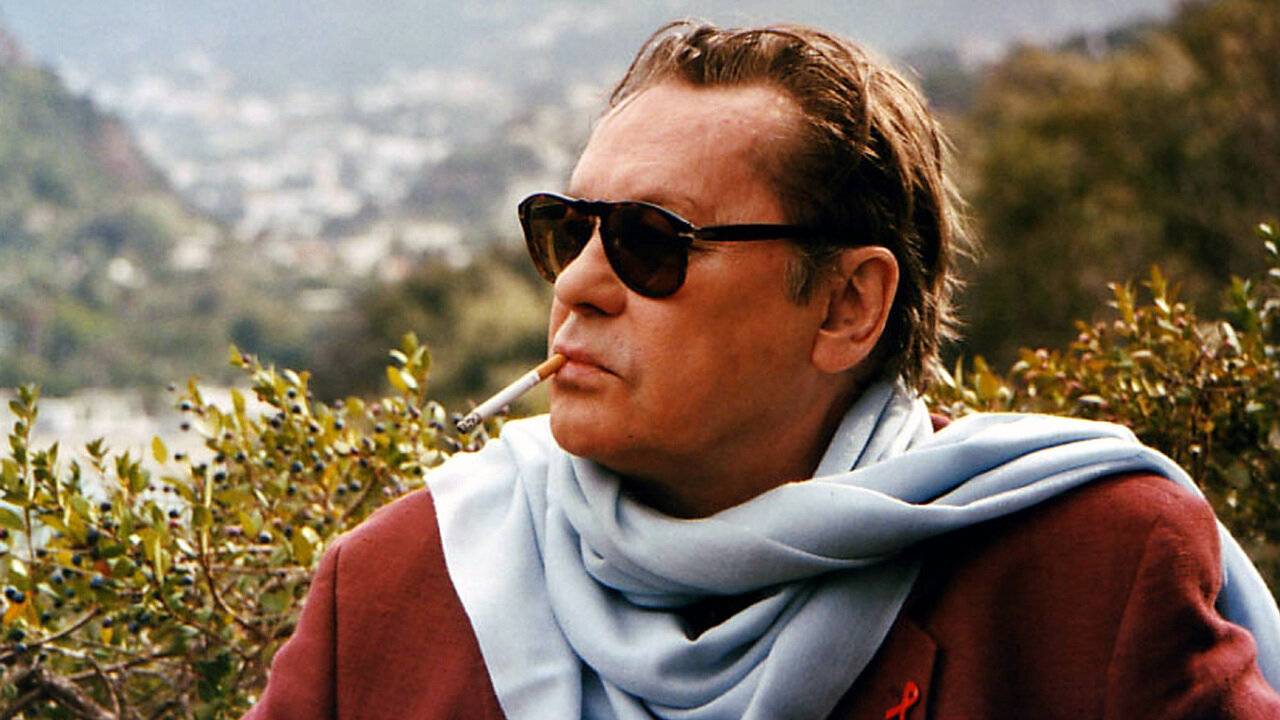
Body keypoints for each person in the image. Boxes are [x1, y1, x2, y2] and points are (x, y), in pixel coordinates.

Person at [244, 21, 1280, 720]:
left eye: (651, 241)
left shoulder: (1084, 575)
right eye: (567, 230)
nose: (580, 285)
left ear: (845, 305)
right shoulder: (395, 589)